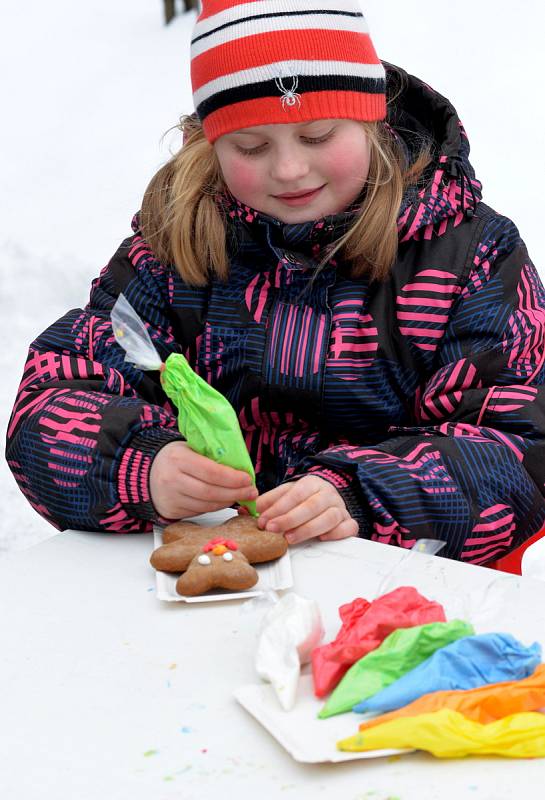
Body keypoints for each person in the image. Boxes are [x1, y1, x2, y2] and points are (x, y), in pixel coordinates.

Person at [6, 0, 545, 564]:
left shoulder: (470, 255)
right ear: (209, 145)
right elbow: (53, 402)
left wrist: (356, 495)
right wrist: (142, 464)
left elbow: (517, 447)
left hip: (400, 582)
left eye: (317, 136)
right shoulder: (176, 249)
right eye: (251, 146)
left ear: (372, 121)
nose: (288, 170)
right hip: (216, 570)